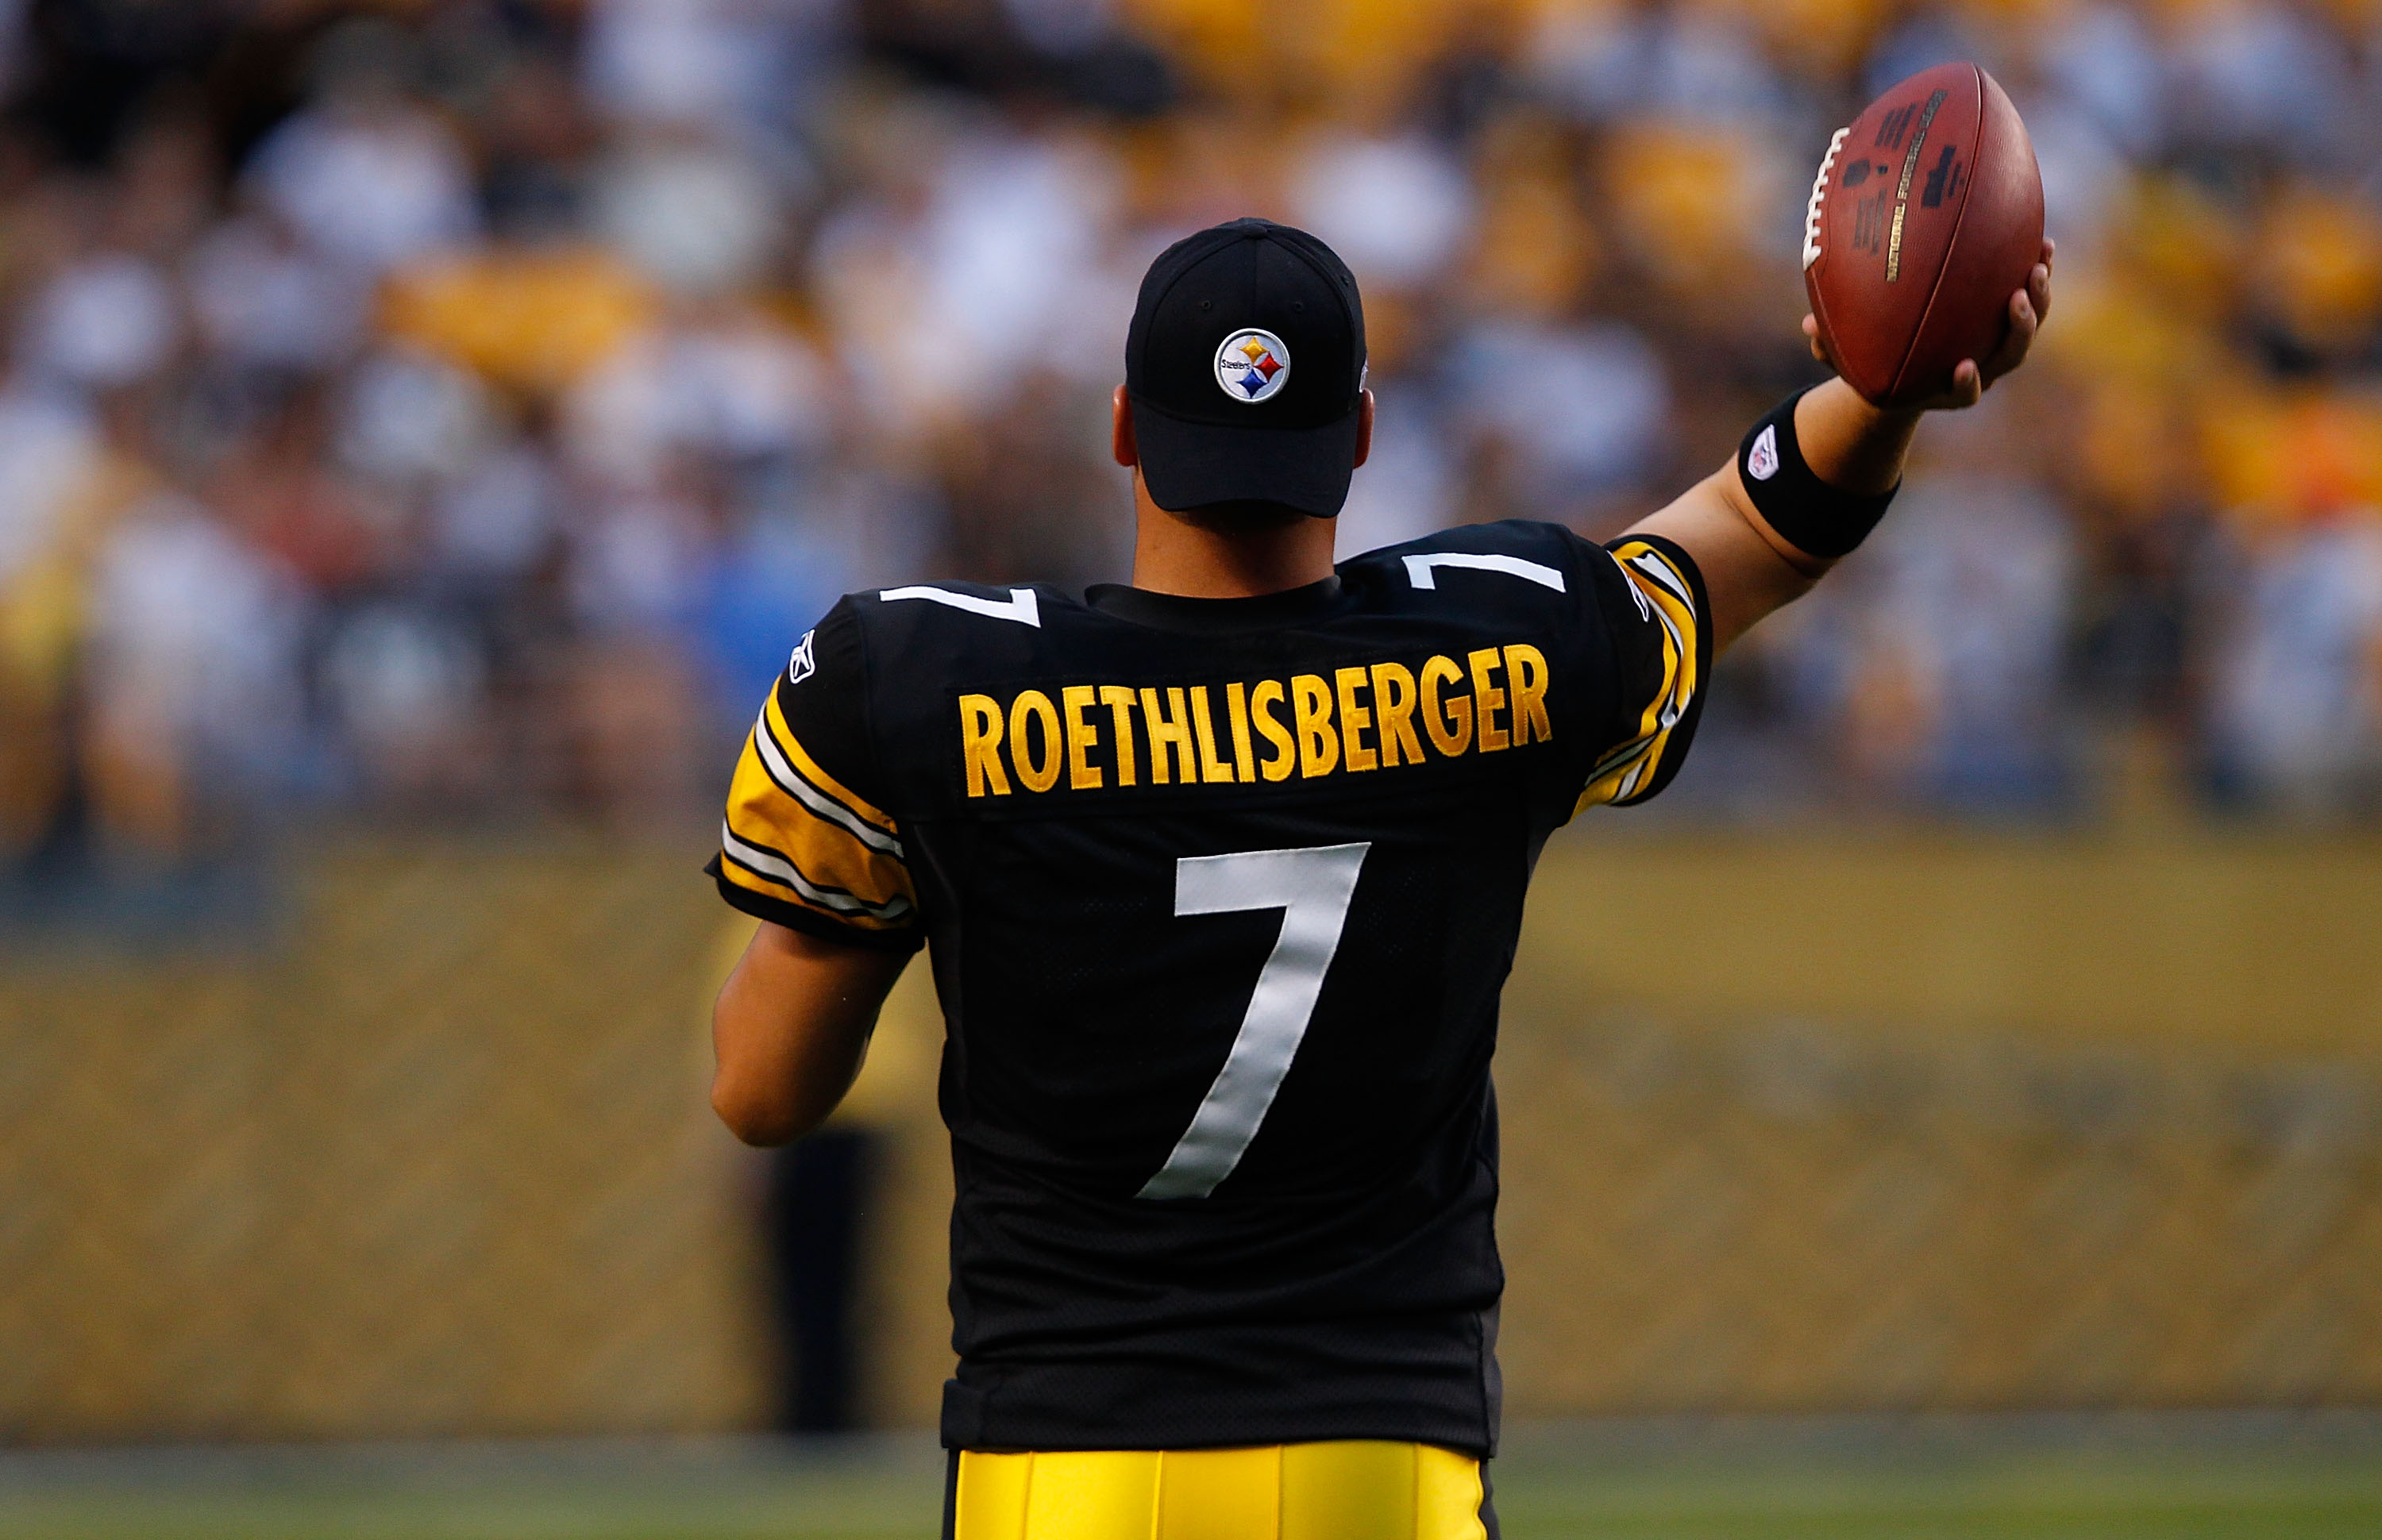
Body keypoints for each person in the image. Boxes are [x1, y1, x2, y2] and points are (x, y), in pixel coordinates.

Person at [706, 217, 2053, 1540]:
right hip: (1383, 1465)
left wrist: (904, 877)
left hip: (1060, 1469)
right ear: (1357, 435)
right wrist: (1883, 393)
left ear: (1125, 427)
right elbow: (1752, 530)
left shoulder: (920, 685)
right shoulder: (1500, 647)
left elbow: (763, 1096)